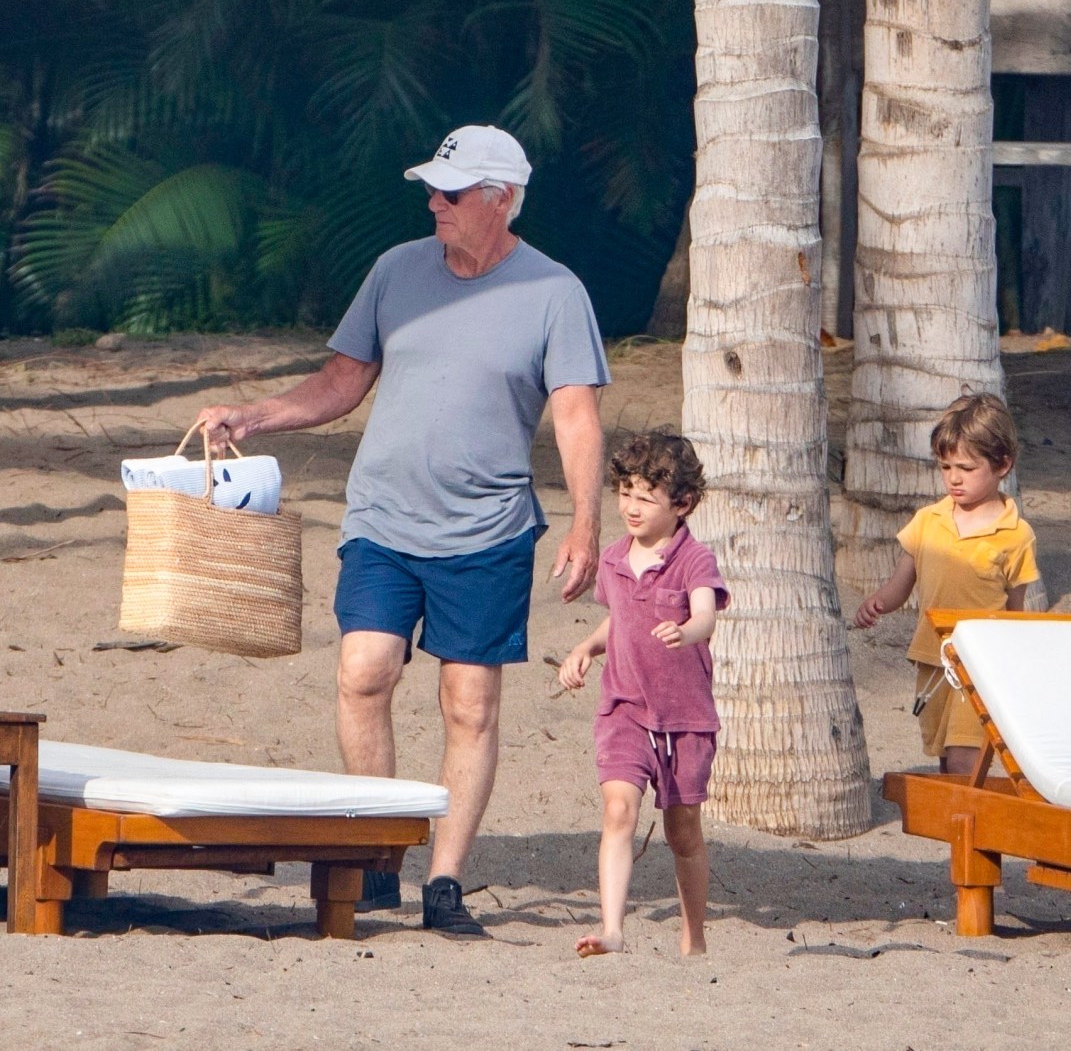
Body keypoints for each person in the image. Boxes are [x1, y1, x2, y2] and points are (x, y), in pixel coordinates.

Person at [197, 124, 610, 937]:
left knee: (470, 703)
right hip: (383, 515)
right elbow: (343, 380)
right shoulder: (396, 269)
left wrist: (586, 523)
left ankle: (445, 881)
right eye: (432, 189)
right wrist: (256, 415)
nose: (434, 203)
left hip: (487, 528)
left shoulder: (555, 292)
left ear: (500, 200)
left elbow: (575, 415)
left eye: (450, 193)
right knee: (363, 670)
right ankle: (380, 853)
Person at [558, 432, 728, 956]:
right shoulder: (612, 559)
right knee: (618, 812)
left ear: (682, 504)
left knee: (683, 833)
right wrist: (586, 647)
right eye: (625, 492)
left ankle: (694, 938)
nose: (631, 507)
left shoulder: (694, 559)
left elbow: (705, 614)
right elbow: (620, 620)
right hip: (624, 710)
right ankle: (612, 930)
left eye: (645, 497)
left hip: (686, 719)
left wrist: (688, 630)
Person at [854, 393, 1039, 776]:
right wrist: (878, 603)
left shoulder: (1016, 535)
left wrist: (1016, 659)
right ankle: (959, 832)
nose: (954, 478)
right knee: (943, 754)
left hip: (980, 662)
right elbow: (902, 583)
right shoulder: (927, 520)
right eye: (945, 466)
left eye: (967, 468)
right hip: (932, 657)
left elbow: (1017, 608)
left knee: (964, 758)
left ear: (1003, 464)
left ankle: (970, 831)